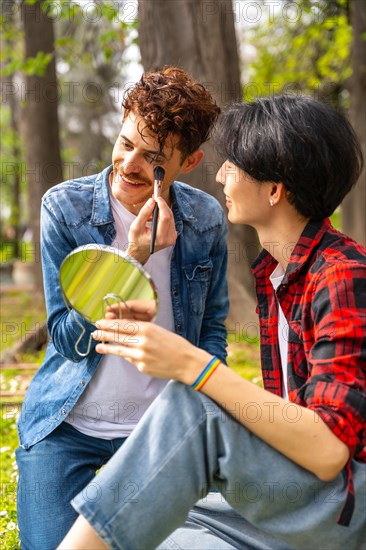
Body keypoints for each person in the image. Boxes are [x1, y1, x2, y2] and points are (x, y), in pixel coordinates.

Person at [59, 95, 365, 550]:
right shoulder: (276, 274)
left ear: (275, 190)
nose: (220, 175)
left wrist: (194, 366)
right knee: (158, 516)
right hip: (302, 496)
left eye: (233, 165)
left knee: (194, 407)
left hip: (346, 504)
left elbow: (326, 451)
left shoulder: (341, 274)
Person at [16, 67, 229, 549]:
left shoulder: (205, 219)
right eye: (125, 142)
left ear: (189, 161)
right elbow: (67, 340)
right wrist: (129, 259)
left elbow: (212, 329)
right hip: (67, 423)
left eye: (152, 158)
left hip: (160, 428)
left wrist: (198, 416)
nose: (129, 164)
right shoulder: (64, 208)